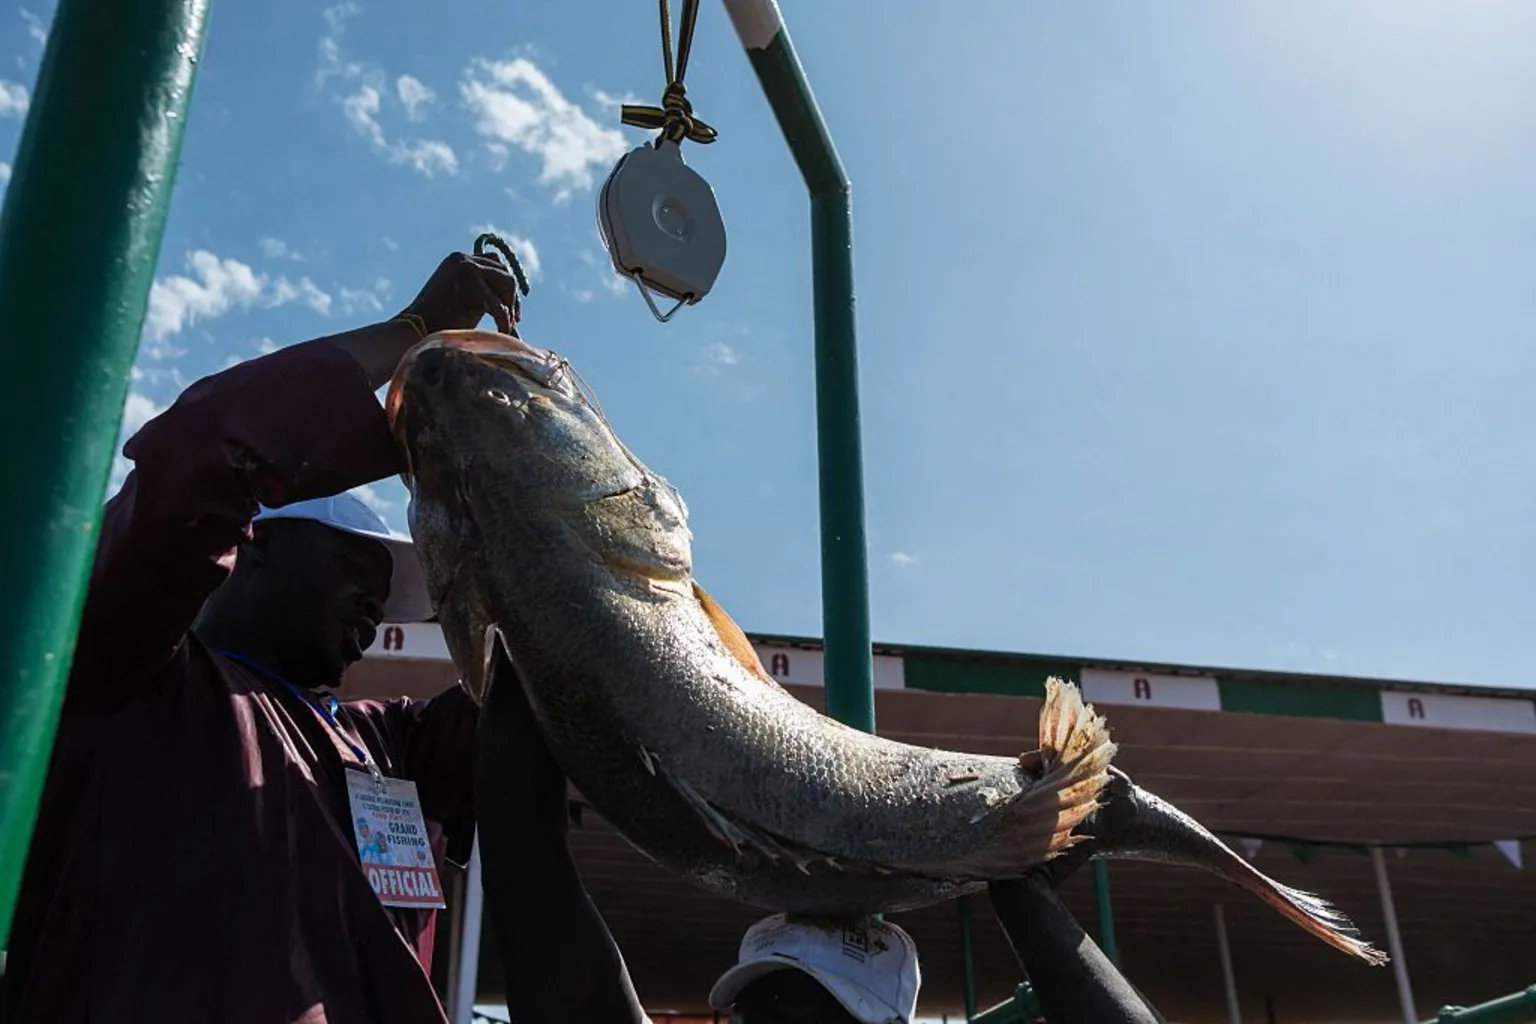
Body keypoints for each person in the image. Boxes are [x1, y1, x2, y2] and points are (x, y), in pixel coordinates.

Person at [0, 249, 528, 1024]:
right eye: (355, 570)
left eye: (385, 593)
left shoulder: (388, 749)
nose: (373, 605)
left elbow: (543, 682)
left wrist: (530, 487)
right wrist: (412, 333)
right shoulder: (128, 678)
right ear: (252, 542)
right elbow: (200, 450)